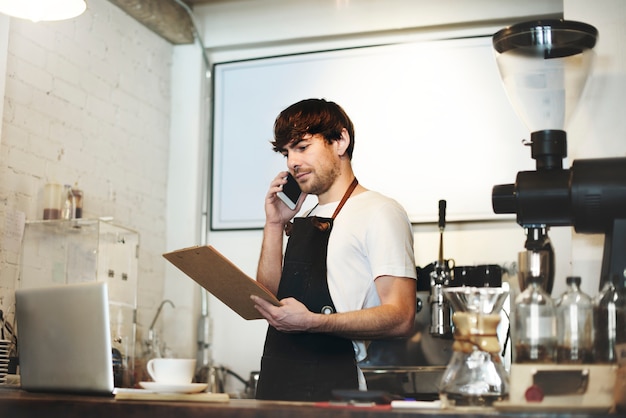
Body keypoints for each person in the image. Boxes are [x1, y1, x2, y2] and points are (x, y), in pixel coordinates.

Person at [251, 98, 417, 402]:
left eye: (301, 147)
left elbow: (401, 316)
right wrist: (274, 225)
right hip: (276, 384)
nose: (291, 162)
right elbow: (267, 297)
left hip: (335, 389)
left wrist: (315, 322)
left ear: (340, 140)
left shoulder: (380, 212)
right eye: (287, 153)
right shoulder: (302, 217)